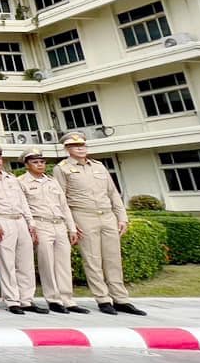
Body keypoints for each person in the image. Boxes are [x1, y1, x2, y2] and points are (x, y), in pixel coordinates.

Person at [55, 132, 146, 316]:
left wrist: (122, 217)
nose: (80, 148)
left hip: (107, 215)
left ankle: (121, 299)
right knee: (93, 260)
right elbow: (61, 199)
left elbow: (113, 193)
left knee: (113, 259)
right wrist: (71, 224)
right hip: (83, 215)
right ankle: (103, 299)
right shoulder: (62, 169)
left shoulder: (98, 166)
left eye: (82, 145)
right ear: (67, 149)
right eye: (75, 146)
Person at [0, 142, 43, 316]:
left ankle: (27, 299)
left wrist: (31, 223)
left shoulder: (12, 178)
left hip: (20, 220)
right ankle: (12, 300)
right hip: (2, 220)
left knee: (26, 263)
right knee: (7, 263)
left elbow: (23, 201)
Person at [19, 148, 85, 314]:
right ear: (27, 165)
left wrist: (71, 228)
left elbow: (64, 206)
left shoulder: (52, 181)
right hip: (41, 224)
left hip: (59, 224)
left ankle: (67, 299)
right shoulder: (21, 182)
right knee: (47, 263)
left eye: (42, 162)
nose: (40, 165)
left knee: (64, 264)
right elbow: (23, 207)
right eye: (35, 162)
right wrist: (31, 226)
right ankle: (53, 299)